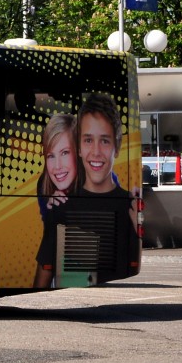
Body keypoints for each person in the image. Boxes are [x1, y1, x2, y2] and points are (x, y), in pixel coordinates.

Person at [35, 93, 136, 287]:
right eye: (88, 140)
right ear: (81, 147)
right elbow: (44, 276)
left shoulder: (124, 203)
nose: (57, 166)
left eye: (65, 153)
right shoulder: (51, 196)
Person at [33, 114, 79, 287]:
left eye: (65, 153)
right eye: (51, 156)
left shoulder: (96, 181)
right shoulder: (44, 184)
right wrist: (52, 212)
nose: (57, 166)